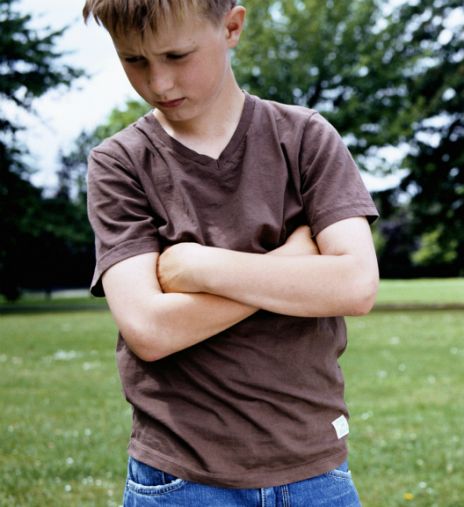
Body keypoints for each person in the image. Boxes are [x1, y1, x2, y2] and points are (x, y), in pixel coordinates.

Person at [82, 1, 379, 505]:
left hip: (316, 471)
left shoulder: (304, 137)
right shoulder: (119, 164)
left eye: (177, 55)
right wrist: (290, 264)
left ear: (232, 27)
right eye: (134, 60)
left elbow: (355, 285)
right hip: (180, 478)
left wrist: (201, 268)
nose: (159, 83)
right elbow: (150, 330)